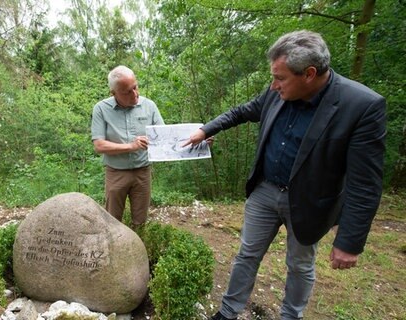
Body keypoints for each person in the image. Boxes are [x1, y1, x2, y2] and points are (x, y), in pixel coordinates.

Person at [182, 30, 386, 320]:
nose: (273, 85)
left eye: (280, 78)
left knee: (300, 265)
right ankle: (228, 312)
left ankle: (291, 316)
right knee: (246, 255)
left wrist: (349, 242)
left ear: (309, 74)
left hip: (310, 202)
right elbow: (244, 111)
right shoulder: (277, 90)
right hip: (265, 190)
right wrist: (206, 129)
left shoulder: (361, 106)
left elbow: (365, 184)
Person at [91, 65, 165, 226]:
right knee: (112, 220)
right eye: (127, 92)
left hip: (143, 172)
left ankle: (138, 250)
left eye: (135, 87)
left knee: (140, 221)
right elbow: (99, 146)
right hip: (116, 173)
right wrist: (132, 146)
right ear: (114, 93)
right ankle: (113, 250)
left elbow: (166, 138)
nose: (135, 94)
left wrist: (200, 140)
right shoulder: (101, 109)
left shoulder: (149, 106)